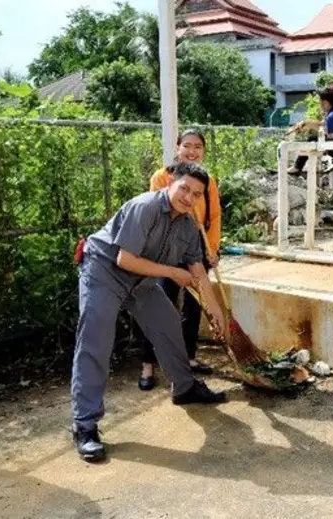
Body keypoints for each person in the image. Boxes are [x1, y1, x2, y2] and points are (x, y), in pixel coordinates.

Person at [71, 161, 229, 463]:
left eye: (196, 194)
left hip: (141, 280)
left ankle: (184, 388)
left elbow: (197, 270)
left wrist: (217, 310)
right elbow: (125, 259)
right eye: (184, 188)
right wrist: (171, 272)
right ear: (170, 182)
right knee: (96, 342)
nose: (188, 197)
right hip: (104, 271)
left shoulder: (187, 224)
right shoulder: (144, 206)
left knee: (168, 325)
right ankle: (85, 426)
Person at [138, 129, 222, 389]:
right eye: (187, 146)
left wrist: (213, 248)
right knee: (159, 304)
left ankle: (188, 358)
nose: (192, 151)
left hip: (198, 247)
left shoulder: (209, 180)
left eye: (198, 147)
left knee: (195, 307)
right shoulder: (162, 177)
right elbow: (157, 215)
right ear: (177, 148)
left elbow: (215, 216)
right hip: (167, 248)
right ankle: (147, 365)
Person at [288, 87, 333, 174]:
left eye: (320, 103)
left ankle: (297, 167)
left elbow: (330, 135)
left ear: (325, 102)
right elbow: (321, 124)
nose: (320, 105)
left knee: (312, 139)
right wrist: (305, 124)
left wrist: (308, 124)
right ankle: (297, 167)